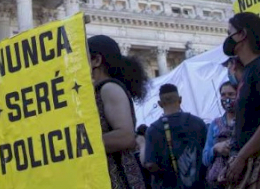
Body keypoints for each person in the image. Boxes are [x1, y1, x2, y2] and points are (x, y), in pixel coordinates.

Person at [88, 34, 149, 189]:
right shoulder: (96, 90)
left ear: (96, 61)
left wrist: (79, 145)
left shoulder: (109, 88)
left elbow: (125, 136)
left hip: (120, 180)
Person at [221, 13, 260, 188]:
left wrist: (242, 157)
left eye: (230, 32)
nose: (227, 38)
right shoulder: (249, 71)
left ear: (242, 35)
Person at [143, 84, 207, 189]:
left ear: (160, 104)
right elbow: (208, 153)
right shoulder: (198, 122)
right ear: (180, 99)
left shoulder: (153, 130)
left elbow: (150, 164)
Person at [202, 82, 236, 189]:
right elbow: (205, 158)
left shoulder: (244, 121)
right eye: (223, 95)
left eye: (231, 94)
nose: (226, 98)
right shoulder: (215, 125)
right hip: (218, 181)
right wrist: (216, 148)